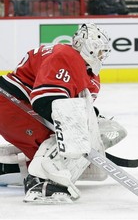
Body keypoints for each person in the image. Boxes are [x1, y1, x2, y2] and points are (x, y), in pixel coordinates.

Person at [0, 23, 126, 203]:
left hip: (13, 106)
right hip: (12, 103)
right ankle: (42, 183)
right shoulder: (67, 56)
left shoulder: (87, 71)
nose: (102, 56)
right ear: (88, 47)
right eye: (99, 50)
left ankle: (5, 166)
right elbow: (46, 102)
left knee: (73, 137)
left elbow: (77, 108)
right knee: (63, 139)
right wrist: (77, 135)